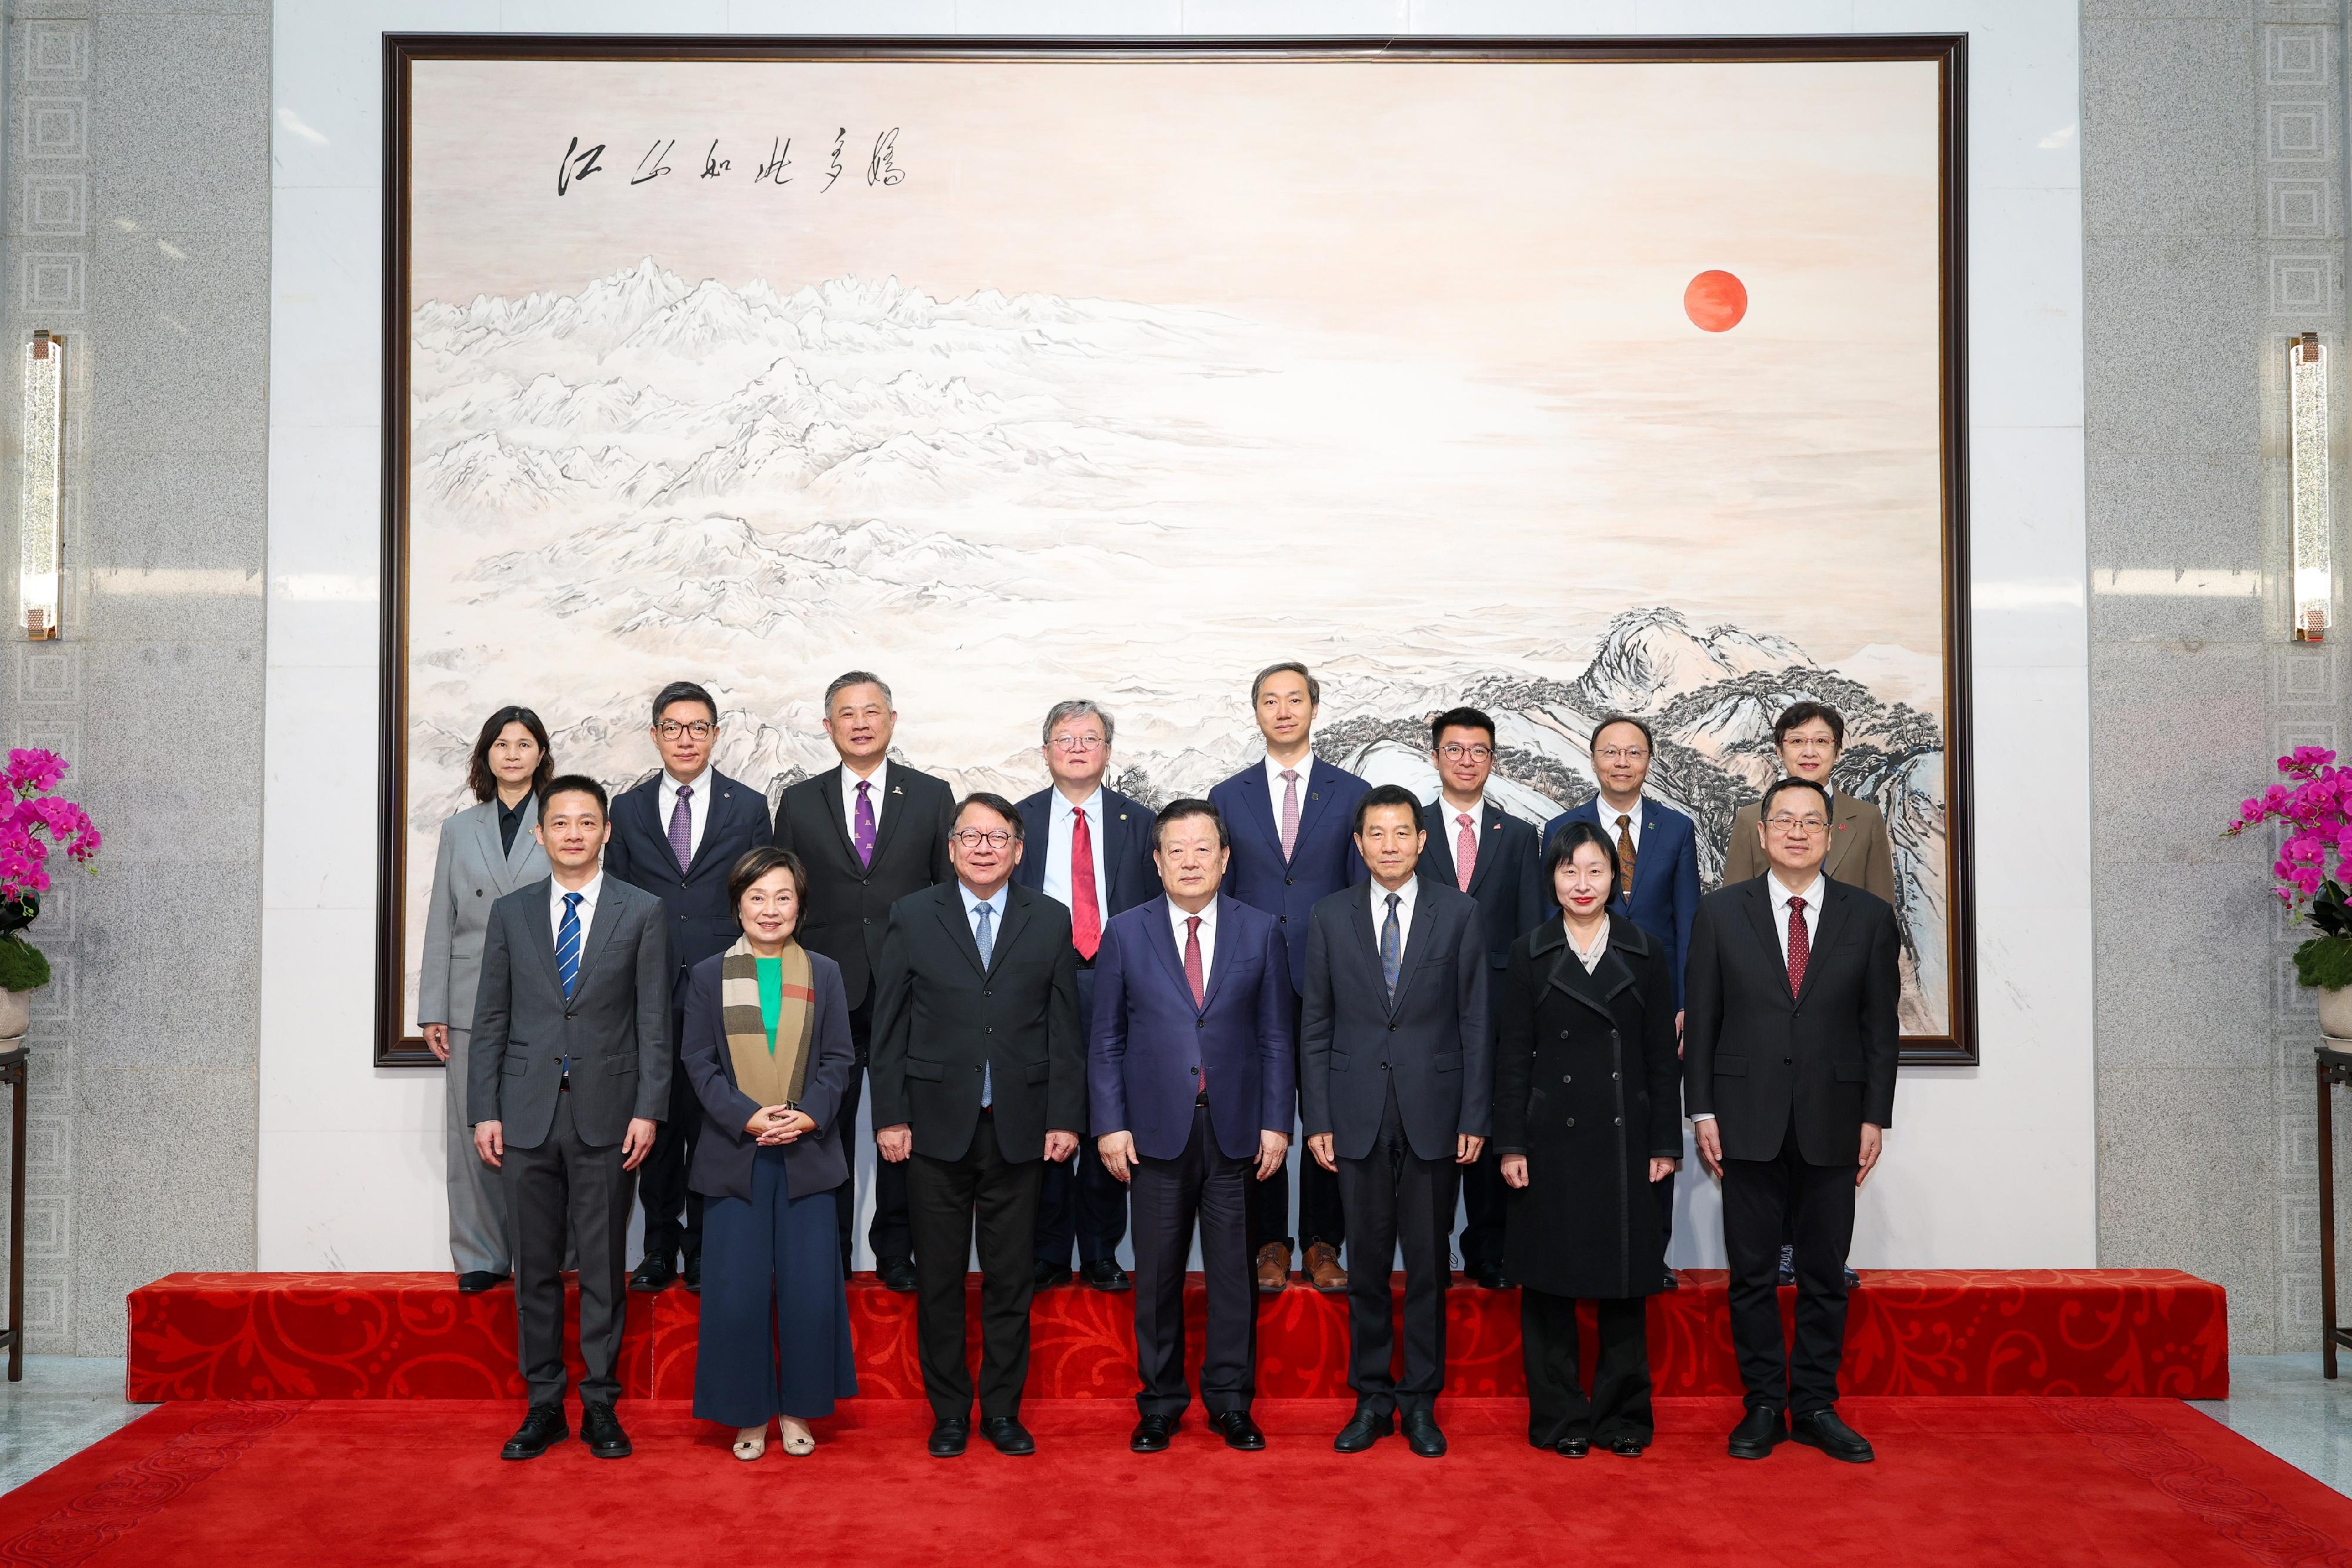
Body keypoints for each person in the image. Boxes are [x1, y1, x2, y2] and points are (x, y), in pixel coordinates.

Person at [1686, 776, 1899, 1465]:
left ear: (1831, 833)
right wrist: (1702, 1110)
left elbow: (1880, 1029)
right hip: (1744, 1117)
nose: (1797, 832)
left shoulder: (1866, 917)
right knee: (1750, 1275)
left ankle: (1812, 1404)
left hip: (1835, 1117)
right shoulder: (1720, 914)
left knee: (1823, 1272)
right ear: (1760, 831)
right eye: (1784, 820)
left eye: (1812, 821)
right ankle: (1762, 1404)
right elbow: (1705, 1020)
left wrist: (1875, 1117)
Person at [869, 793, 1084, 1459]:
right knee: (937, 1281)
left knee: (1009, 1280)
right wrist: (891, 1116)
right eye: (970, 836)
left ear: (1019, 850)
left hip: (1019, 1127)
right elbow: (890, 1026)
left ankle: (1002, 1412)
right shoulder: (912, 915)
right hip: (932, 1129)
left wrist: (1064, 1117)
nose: (984, 847)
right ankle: (950, 1414)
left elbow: (1064, 1028)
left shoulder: (1049, 919)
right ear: (953, 847)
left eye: (998, 837)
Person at [467, 775, 670, 1462]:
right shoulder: (512, 912)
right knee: (535, 1269)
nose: (574, 833)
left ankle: (602, 1406)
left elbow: (653, 1020)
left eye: (588, 822)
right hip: (523, 1115)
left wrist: (648, 1108)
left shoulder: (642, 911)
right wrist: (483, 1109)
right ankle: (543, 1404)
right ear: (541, 833)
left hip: (608, 1116)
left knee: (607, 1267)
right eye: (561, 823)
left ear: (607, 832)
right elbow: (490, 1017)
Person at [1090, 800, 1293, 1453]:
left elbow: (1274, 1037)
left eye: (1202, 848)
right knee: (1157, 1277)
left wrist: (1276, 1122)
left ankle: (1232, 1403)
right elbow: (1107, 1041)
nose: (1189, 860)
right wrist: (1109, 1124)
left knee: (1234, 1274)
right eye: (1175, 849)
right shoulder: (1125, 932)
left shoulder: (1260, 930)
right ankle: (1159, 1404)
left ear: (1225, 858)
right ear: (1155, 860)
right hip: (1151, 1134)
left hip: (1234, 1130)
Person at [1301, 783, 1491, 1459]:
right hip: (1354, 1114)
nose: (1388, 845)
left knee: (1431, 1267)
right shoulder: (1328, 916)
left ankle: (1420, 1403)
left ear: (1422, 839)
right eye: (1375, 834)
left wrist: (1475, 1111)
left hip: (1435, 1114)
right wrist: (1316, 1114)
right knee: (1368, 1265)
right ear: (1358, 844)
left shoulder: (1459, 913)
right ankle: (1372, 1398)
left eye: (1401, 832)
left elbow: (1475, 1019)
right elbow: (1315, 1022)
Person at [1494, 821, 1681, 1457]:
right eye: (1569, 870)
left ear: (1614, 877)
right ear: (1552, 877)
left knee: (1625, 1285)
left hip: (1626, 1135)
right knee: (1548, 1288)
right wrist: (1510, 1143)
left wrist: (1665, 1143)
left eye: (1595, 870)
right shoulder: (1529, 951)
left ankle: (1622, 1418)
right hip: (1548, 1139)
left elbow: (1661, 1058)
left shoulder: (1645, 950)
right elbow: (1512, 1055)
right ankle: (1560, 1419)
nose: (1582, 884)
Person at [771, 671, 957, 1290]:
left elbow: (945, 898)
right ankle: (828, 1253)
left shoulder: (931, 797)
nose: (859, 723)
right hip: (826, 990)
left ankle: (897, 1253)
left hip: (911, 989)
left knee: (905, 1127)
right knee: (822, 1126)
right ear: (828, 728)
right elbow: (785, 900)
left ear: (892, 720)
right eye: (845, 714)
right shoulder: (799, 802)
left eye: (871, 711)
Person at [681, 846, 858, 1461]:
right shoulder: (706, 975)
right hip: (736, 1152)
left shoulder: (825, 972)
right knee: (737, 1294)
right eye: (757, 896)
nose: (770, 909)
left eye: (783, 896)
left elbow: (839, 1059)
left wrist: (806, 1114)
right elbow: (697, 1063)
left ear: (799, 906)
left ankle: (796, 1411)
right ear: (738, 905)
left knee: (810, 1293)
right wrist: (745, 1115)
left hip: (808, 1152)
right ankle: (747, 1415)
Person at [604, 681, 774, 1295]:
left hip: (725, 990)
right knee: (657, 1124)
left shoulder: (748, 805)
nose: (685, 738)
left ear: (715, 735)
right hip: (648, 992)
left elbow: (760, 899)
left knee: (715, 1127)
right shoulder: (625, 811)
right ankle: (658, 1248)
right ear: (654, 735)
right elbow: (616, 905)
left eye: (697, 727)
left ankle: (705, 1249)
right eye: (673, 727)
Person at [1205, 661, 1369, 1295]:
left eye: (1294, 700)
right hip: (1251, 981)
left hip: (1330, 981)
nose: (1283, 711)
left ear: (1313, 708)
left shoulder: (1351, 791)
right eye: (1269, 701)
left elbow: (1358, 893)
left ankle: (1325, 1244)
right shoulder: (1229, 795)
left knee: (1333, 1115)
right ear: (1255, 713)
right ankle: (1268, 1244)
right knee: (1258, 1115)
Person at [1719, 700, 1894, 1289]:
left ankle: (1818, 1252)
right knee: (1769, 1140)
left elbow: (1880, 906)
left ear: (1837, 751)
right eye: (1798, 741)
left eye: (1821, 741)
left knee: (1826, 1144)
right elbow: (1736, 905)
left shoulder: (1865, 819)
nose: (1809, 751)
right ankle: (1781, 1250)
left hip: (1835, 1005)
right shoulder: (1752, 819)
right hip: (1770, 1004)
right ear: (1780, 749)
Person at [1543, 712, 1700, 1291]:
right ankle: (1584, 1246)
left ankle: (1649, 1253)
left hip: (1654, 1006)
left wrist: (1686, 1004)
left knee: (1651, 1126)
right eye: (1610, 752)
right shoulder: (1563, 826)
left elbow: (1687, 923)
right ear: (1593, 760)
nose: (1621, 762)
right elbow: (1549, 924)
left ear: (1648, 761)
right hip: (1582, 1006)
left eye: (1633, 753)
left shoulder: (1676, 828)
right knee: (1582, 1131)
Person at [1015, 700, 1155, 1292]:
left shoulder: (1140, 822)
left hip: (1117, 979)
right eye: (1064, 738)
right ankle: (1047, 1250)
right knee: (1046, 1114)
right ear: (1045, 750)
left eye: (1089, 738)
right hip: (1039, 982)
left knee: (1109, 1111)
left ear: (1107, 750)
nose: (1076, 748)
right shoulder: (1016, 822)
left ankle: (1100, 1249)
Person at [419, 704, 552, 1293]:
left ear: (541, 754)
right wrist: (433, 1008)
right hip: (471, 995)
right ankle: (477, 1255)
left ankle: (541, 1254)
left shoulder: (561, 822)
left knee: (541, 1130)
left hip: (546, 995)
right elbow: (441, 922)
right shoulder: (458, 829)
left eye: (525, 743)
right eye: (503, 743)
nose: (514, 753)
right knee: (469, 1128)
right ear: (486, 754)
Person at [1418, 706, 1546, 1290]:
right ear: (1435, 755)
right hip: (1419, 1004)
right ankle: (1430, 1248)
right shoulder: (1408, 828)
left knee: (1490, 1127)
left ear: (1492, 760)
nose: (1466, 760)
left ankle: (1488, 1248)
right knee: (1430, 1127)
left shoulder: (1517, 836)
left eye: (1478, 751)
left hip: (1494, 1004)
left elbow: (1528, 930)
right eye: (1455, 749)